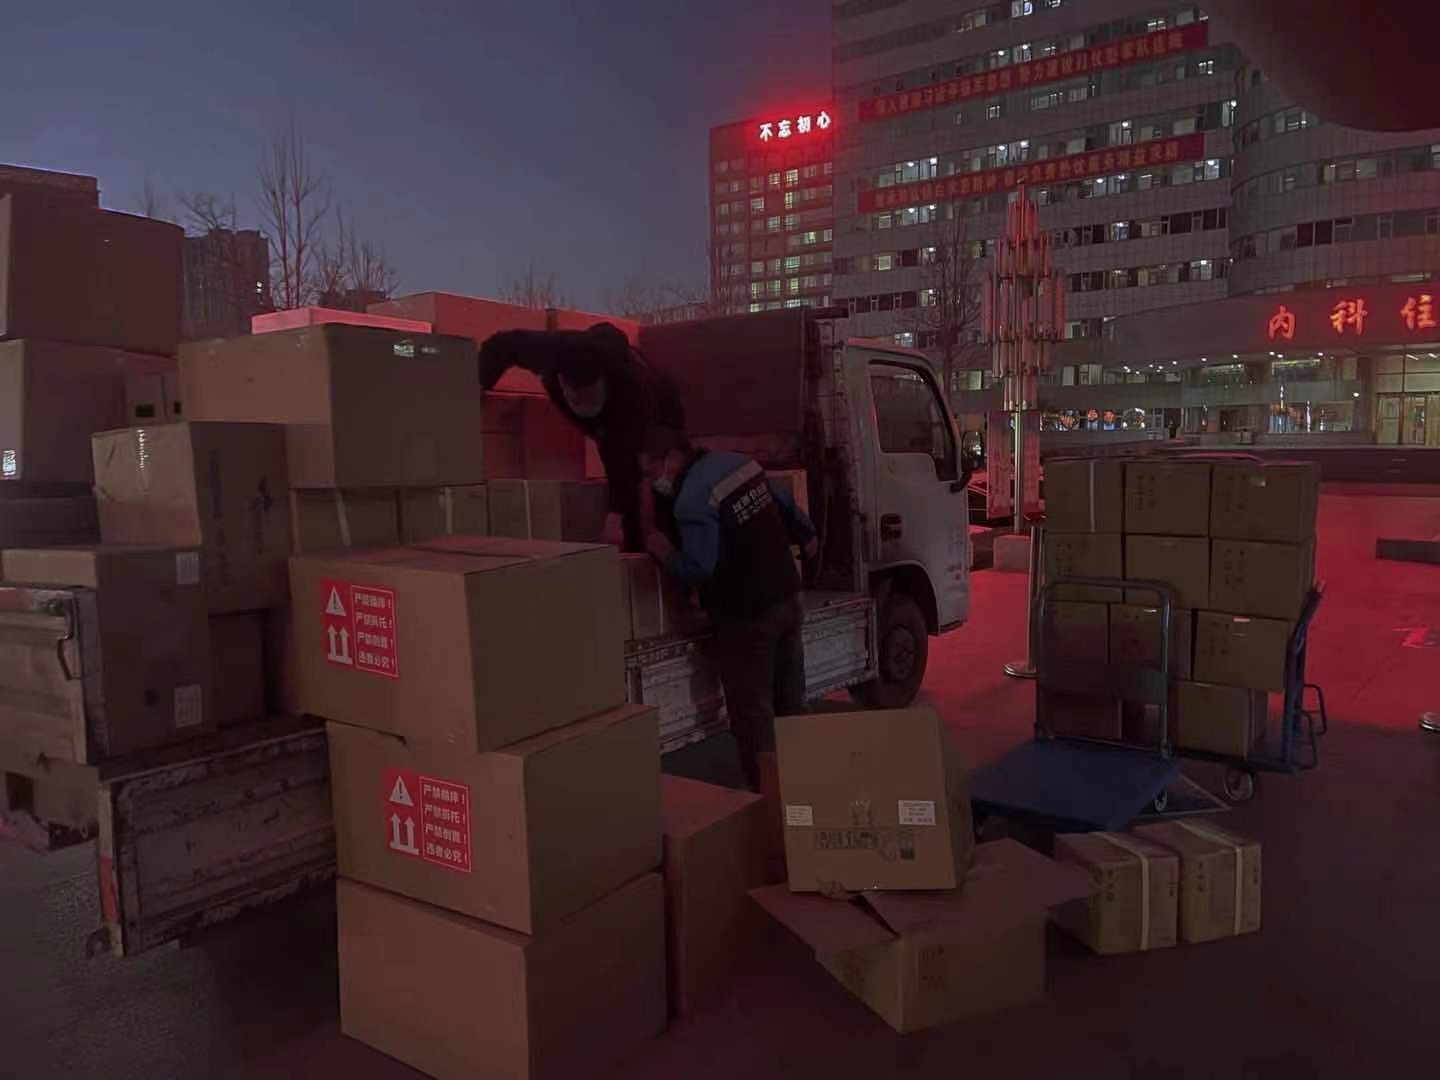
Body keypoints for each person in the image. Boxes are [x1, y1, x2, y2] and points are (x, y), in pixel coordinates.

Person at [639, 427, 818, 793]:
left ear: (671, 458)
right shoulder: (740, 464)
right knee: (791, 702)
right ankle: (808, 792)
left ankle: (769, 802)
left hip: (748, 617)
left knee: (754, 716)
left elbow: (699, 566)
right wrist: (807, 534)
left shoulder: (691, 498)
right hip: (787, 596)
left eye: (651, 471)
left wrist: (665, 552)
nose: (652, 481)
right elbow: (784, 503)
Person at [478, 323, 684, 551]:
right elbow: (499, 346)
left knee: (659, 480)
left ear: (602, 382)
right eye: (575, 396)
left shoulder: (631, 394)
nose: (581, 402)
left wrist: (615, 517)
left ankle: (654, 553)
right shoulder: (550, 352)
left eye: (588, 396)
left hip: (662, 411)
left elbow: (624, 465)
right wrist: (477, 385)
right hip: (609, 419)